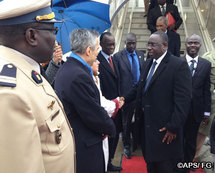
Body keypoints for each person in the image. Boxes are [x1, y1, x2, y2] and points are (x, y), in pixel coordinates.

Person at [0, 0, 75, 173]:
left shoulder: (26, 69)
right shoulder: (10, 94)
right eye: (53, 30)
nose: (56, 40)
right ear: (32, 36)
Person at [122, 31, 192, 173]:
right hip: (147, 130)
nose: (149, 48)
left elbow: (183, 102)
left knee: (166, 167)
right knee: (151, 166)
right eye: (148, 44)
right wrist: (123, 99)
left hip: (165, 132)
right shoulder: (148, 63)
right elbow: (139, 87)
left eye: (153, 45)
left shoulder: (178, 66)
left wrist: (173, 127)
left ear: (165, 45)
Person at [54, 29, 116, 173]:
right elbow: (93, 112)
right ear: (88, 50)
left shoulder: (68, 68)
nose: (97, 54)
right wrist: (109, 128)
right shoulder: (78, 75)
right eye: (97, 49)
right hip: (85, 147)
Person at [182, 34, 211, 172]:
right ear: (186, 44)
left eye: (196, 43)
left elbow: (206, 90)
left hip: (196, 112)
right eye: (190, 42)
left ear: (200, 45)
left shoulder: (206, 64)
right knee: (177, 140)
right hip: (179, 111)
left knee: (191, 141)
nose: (193, 45)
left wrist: (206, 112)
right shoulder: (178, 62)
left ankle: (187, 166)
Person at [113, 32, 145, 158]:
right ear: (125, 43)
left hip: (139, 95)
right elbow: (117, 77)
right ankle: (126, 145)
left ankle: (137, 142)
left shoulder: (141, 55)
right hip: (125, 96)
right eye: (129, 43)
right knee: (126, 122)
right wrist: (120, 96)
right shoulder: (118, 57)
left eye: (134, 43)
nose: (131, 45)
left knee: (138, 119)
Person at [91, 59, 124, 171]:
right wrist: (116, 103)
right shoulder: (87, 78)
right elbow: (100, 104)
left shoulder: (95, 77)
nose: (98, 62)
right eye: (95, 59)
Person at [97, 32, 122, 171]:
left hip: (116, 107)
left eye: (113, 44)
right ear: (101, 44)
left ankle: (110, 161)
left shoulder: (114, 59)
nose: (112, 47)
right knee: (107, 137)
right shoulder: (97, 61)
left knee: (115, 135)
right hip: (106, 107)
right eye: (109, 44)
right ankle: (105, 164)